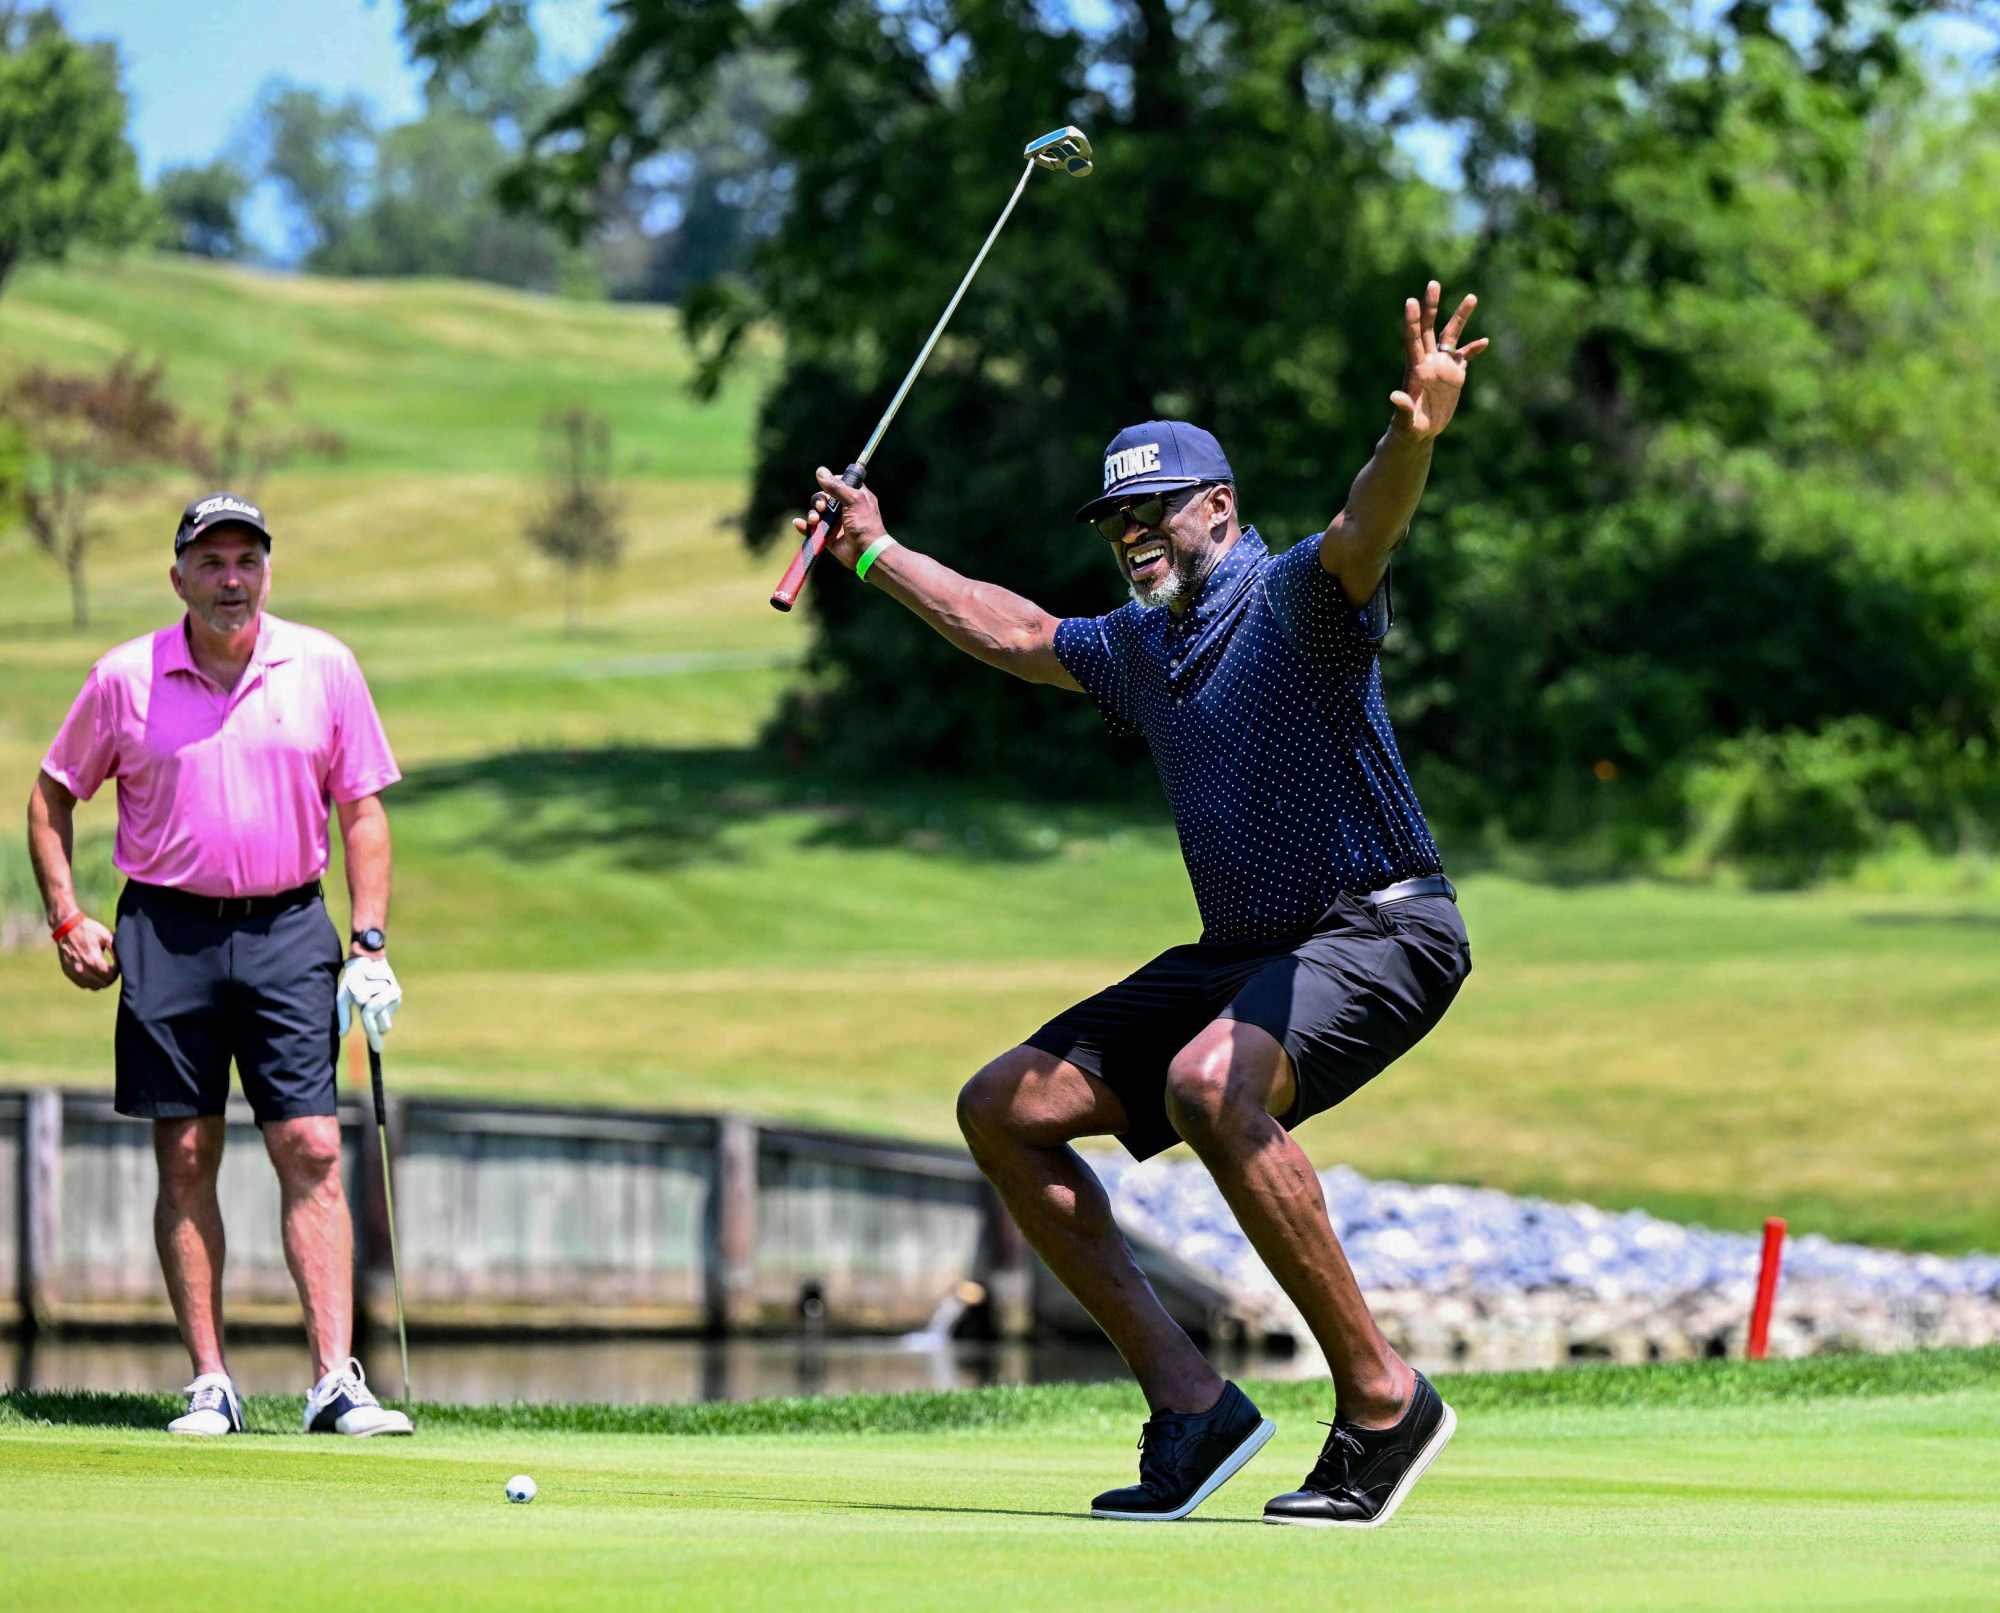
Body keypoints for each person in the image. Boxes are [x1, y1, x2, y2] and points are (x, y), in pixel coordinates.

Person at [795, 282, 1487, 1525]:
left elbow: (1363, 527)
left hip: (1383, 924)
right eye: (1115, 518)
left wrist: (1415, 436)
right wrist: (873, 550)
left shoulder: (1293, 602)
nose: (1131, 532)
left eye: (1151, 507)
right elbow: (1012, 632)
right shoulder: (1137, 646)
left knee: (1207, 1083)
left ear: (1216, 506)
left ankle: (1383, 1402)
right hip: (1249, 948)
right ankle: (1192, 1408)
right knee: (1005, 1107)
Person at [27, 492, 412, 1438]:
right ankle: (212, 1381)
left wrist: (368, 941)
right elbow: (50, 795)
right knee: (188, 1151)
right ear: (179, 579)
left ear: (268, 572)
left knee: (313, 1146)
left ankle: (334, 1381)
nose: (230, 579)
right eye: (211, 563)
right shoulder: (125, 678)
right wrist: (66, 914)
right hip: (168, 933)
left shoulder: (323, 666)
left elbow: (362, 809)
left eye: (246, 561)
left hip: (289, 927)